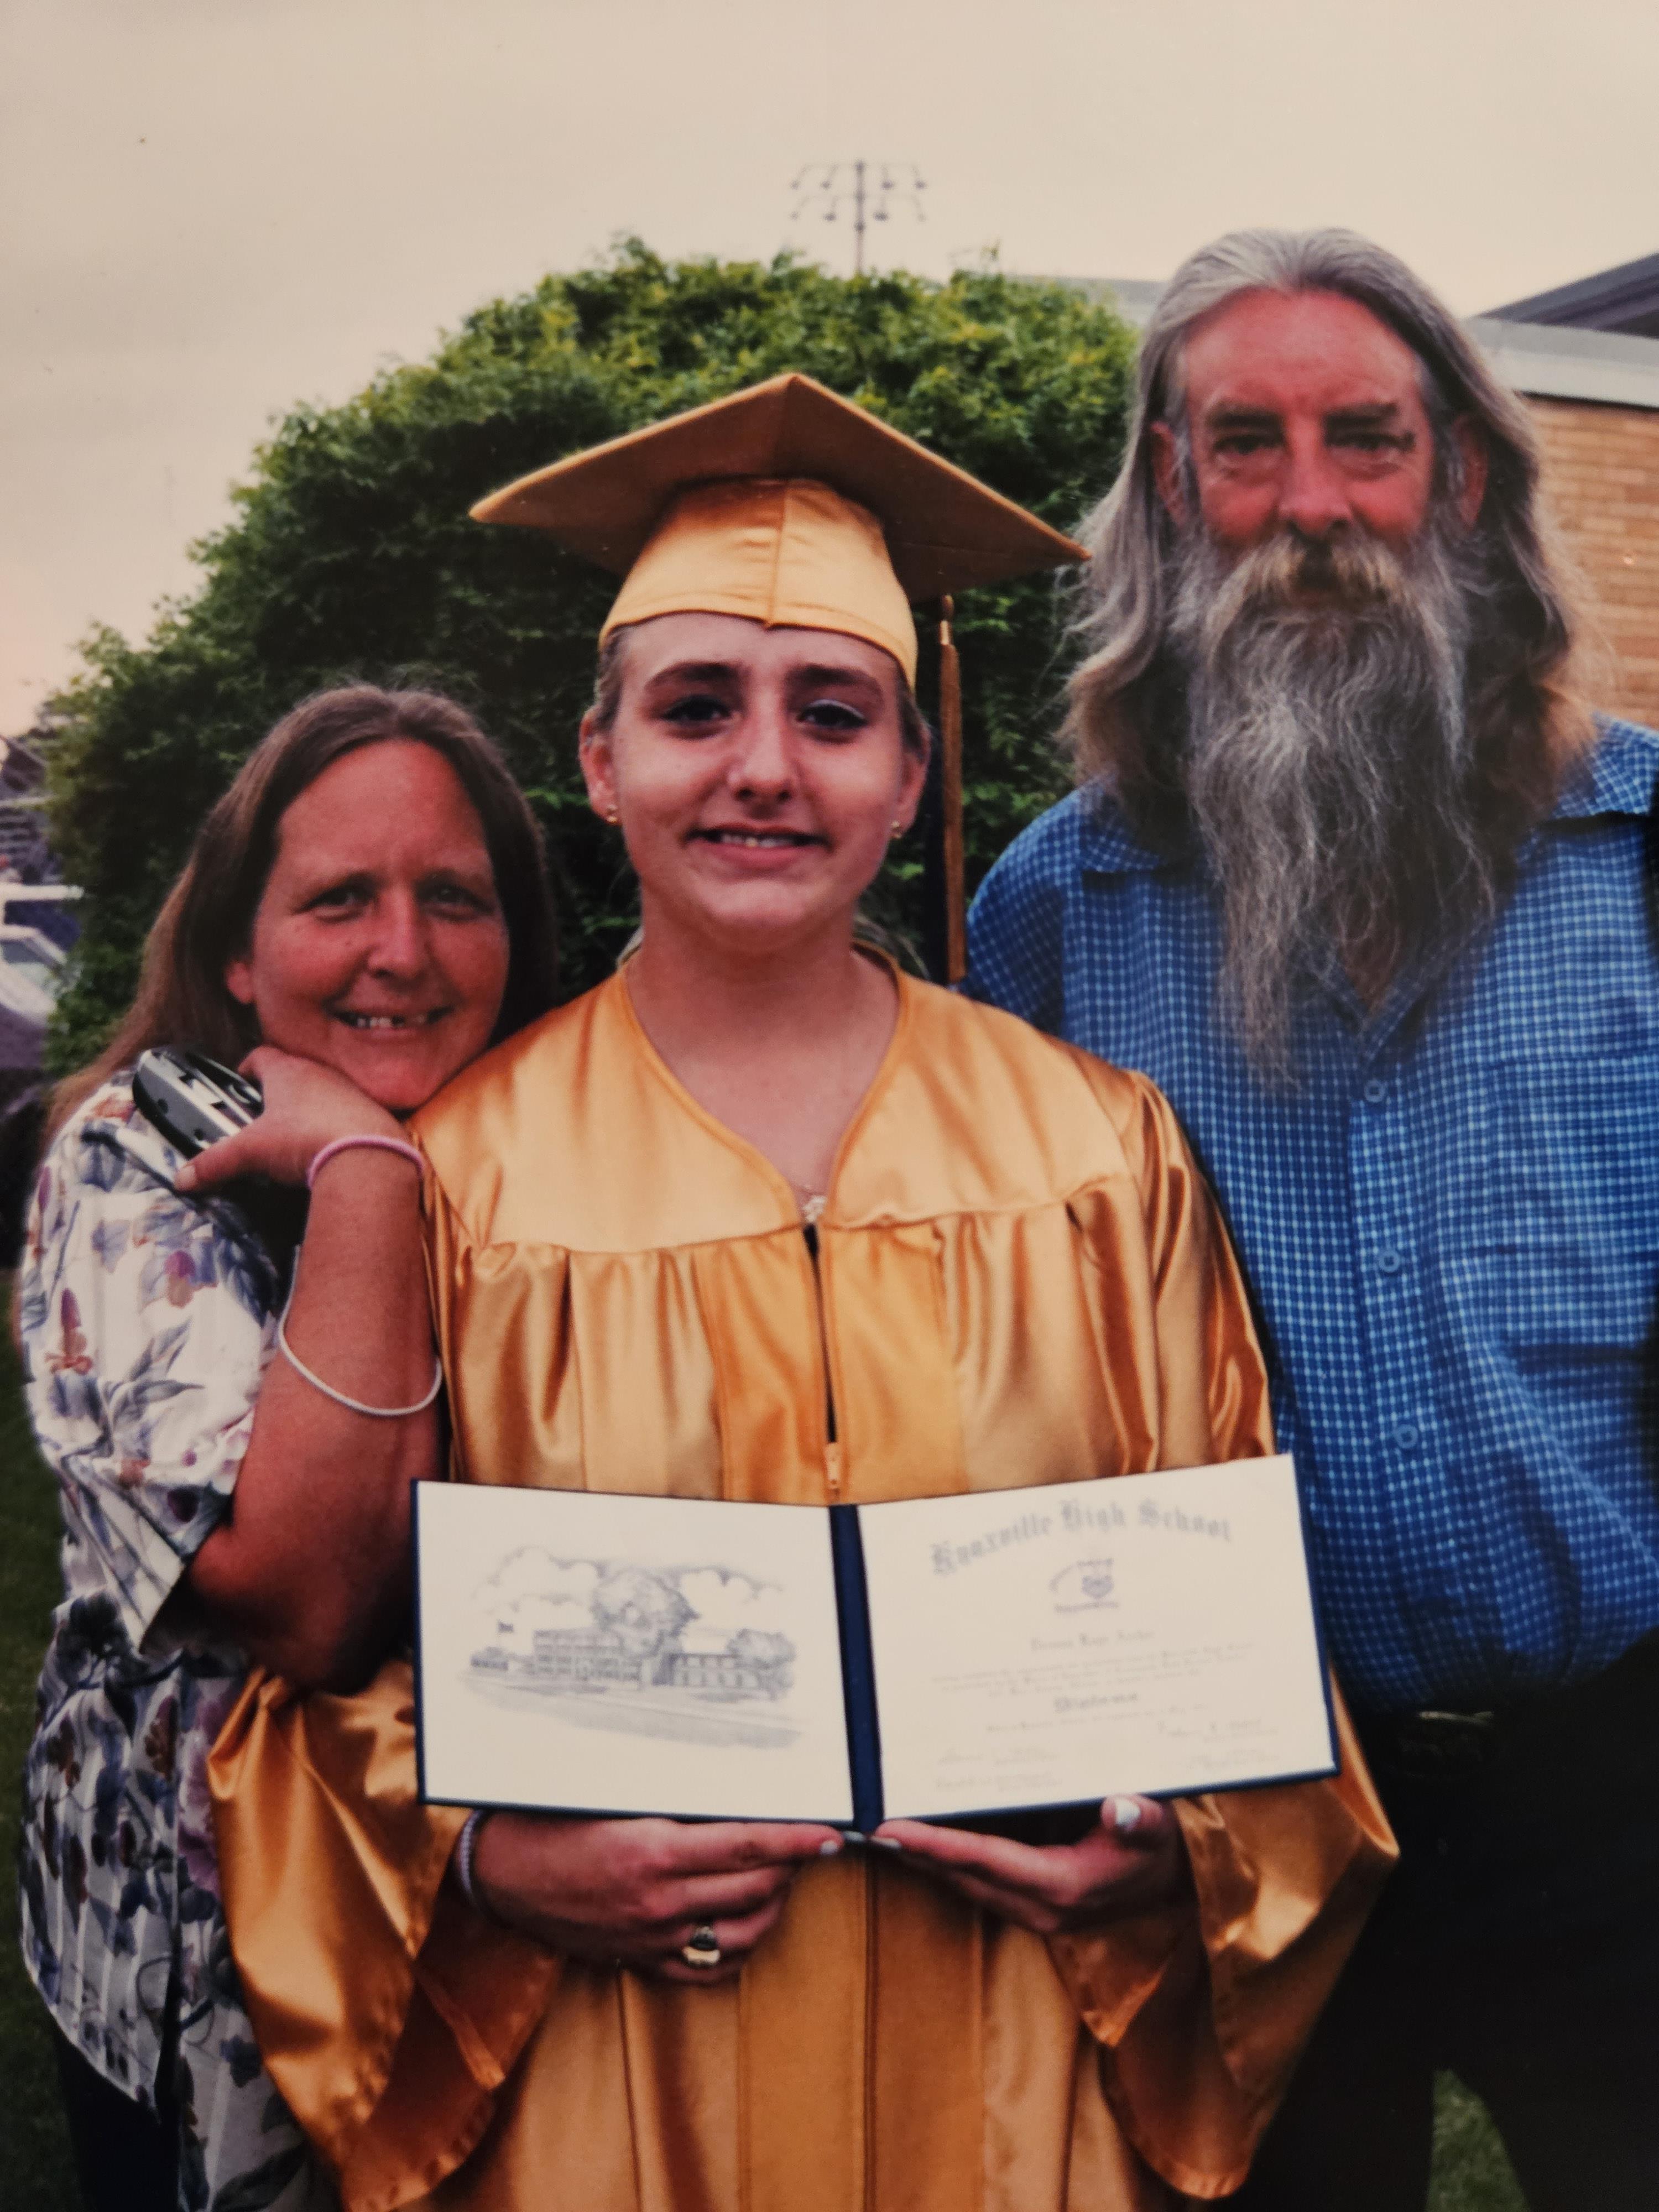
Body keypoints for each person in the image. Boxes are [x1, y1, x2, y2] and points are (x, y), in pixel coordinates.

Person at [208, 375, 1394, 2212]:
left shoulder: (1095, 1155)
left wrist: (1182, 1849)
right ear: (599, 763)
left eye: (831, 714)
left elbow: (1236, 1615)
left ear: (909, 776)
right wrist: (488, 1859)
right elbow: (311, 1685)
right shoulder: (463, 1175)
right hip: (623, 2076)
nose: (764, 765)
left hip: (1009, 2061)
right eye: (696, 710)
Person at [966, 227, 1659, 2211]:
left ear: (1461, 475)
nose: (1313, 507)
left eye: (1369, 437)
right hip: (1250, 1802)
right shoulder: (1057, 911)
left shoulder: (1647, 859)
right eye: (1244, 444)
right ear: (1172, 491)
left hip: (1626, 1781)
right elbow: (1005, 1376)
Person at [16, 684, 557, 2212]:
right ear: (240, 952)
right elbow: (306, 1600)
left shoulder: (538, 1158)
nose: (403, 950)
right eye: (340, 900)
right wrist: (368, 1179)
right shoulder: (129, 1169)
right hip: (215, 1997)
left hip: (491, 1952)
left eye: (454, 897)